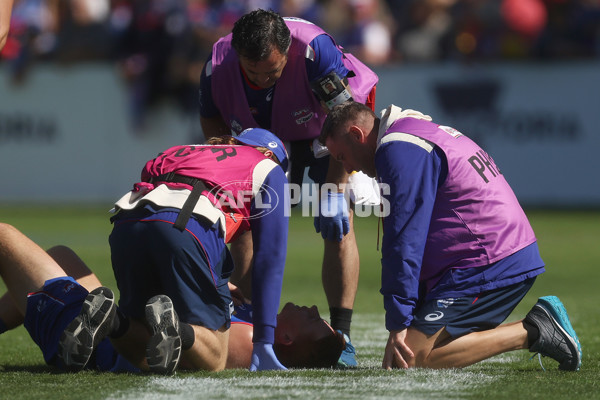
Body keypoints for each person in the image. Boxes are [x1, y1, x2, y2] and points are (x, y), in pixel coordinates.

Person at [318, 101, 582, 371]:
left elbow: (405, 240)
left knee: (410, 359)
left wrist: (398, 321)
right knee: (406, 353)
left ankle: (536, 329)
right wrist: (408, 319)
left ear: (356, 135)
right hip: (490, 255)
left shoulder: (398, 148)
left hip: (489, 261)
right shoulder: (412, 133)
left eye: (342, 158)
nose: (349, 168)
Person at [198, 8, 379, 368]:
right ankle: (248, 322)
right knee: (244, 227)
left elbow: (343, 124)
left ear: (287, 53)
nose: (263, 81)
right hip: (258, 143)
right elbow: (211, 118)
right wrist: (231, 166)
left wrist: (333, 192)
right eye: (253, 73)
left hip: (320, 136)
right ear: (238, 56)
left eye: (272, 72)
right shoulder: (217, 65)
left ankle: (340, 335)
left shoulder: (314, 52)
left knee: (339, 221)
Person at [58, 127, 293, 374]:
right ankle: (177, 328)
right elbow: (270, 257)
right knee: (215, 357)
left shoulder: (181, 150)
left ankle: (113, 322)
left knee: (139, 336)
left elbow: (150, 179)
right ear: (268, 153)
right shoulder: (269, 168)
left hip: (127, 223)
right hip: (186, 226)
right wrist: (264, 341)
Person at [0, 223, 345, 372]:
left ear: (285, 338)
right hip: (106, 334)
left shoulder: (250, 338)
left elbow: (165, 340)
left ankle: (85, 332)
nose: (313, 308)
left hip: (95, 346)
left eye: (314, 319)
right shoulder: (256, 325)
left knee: (4, 239)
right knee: (61, 257)